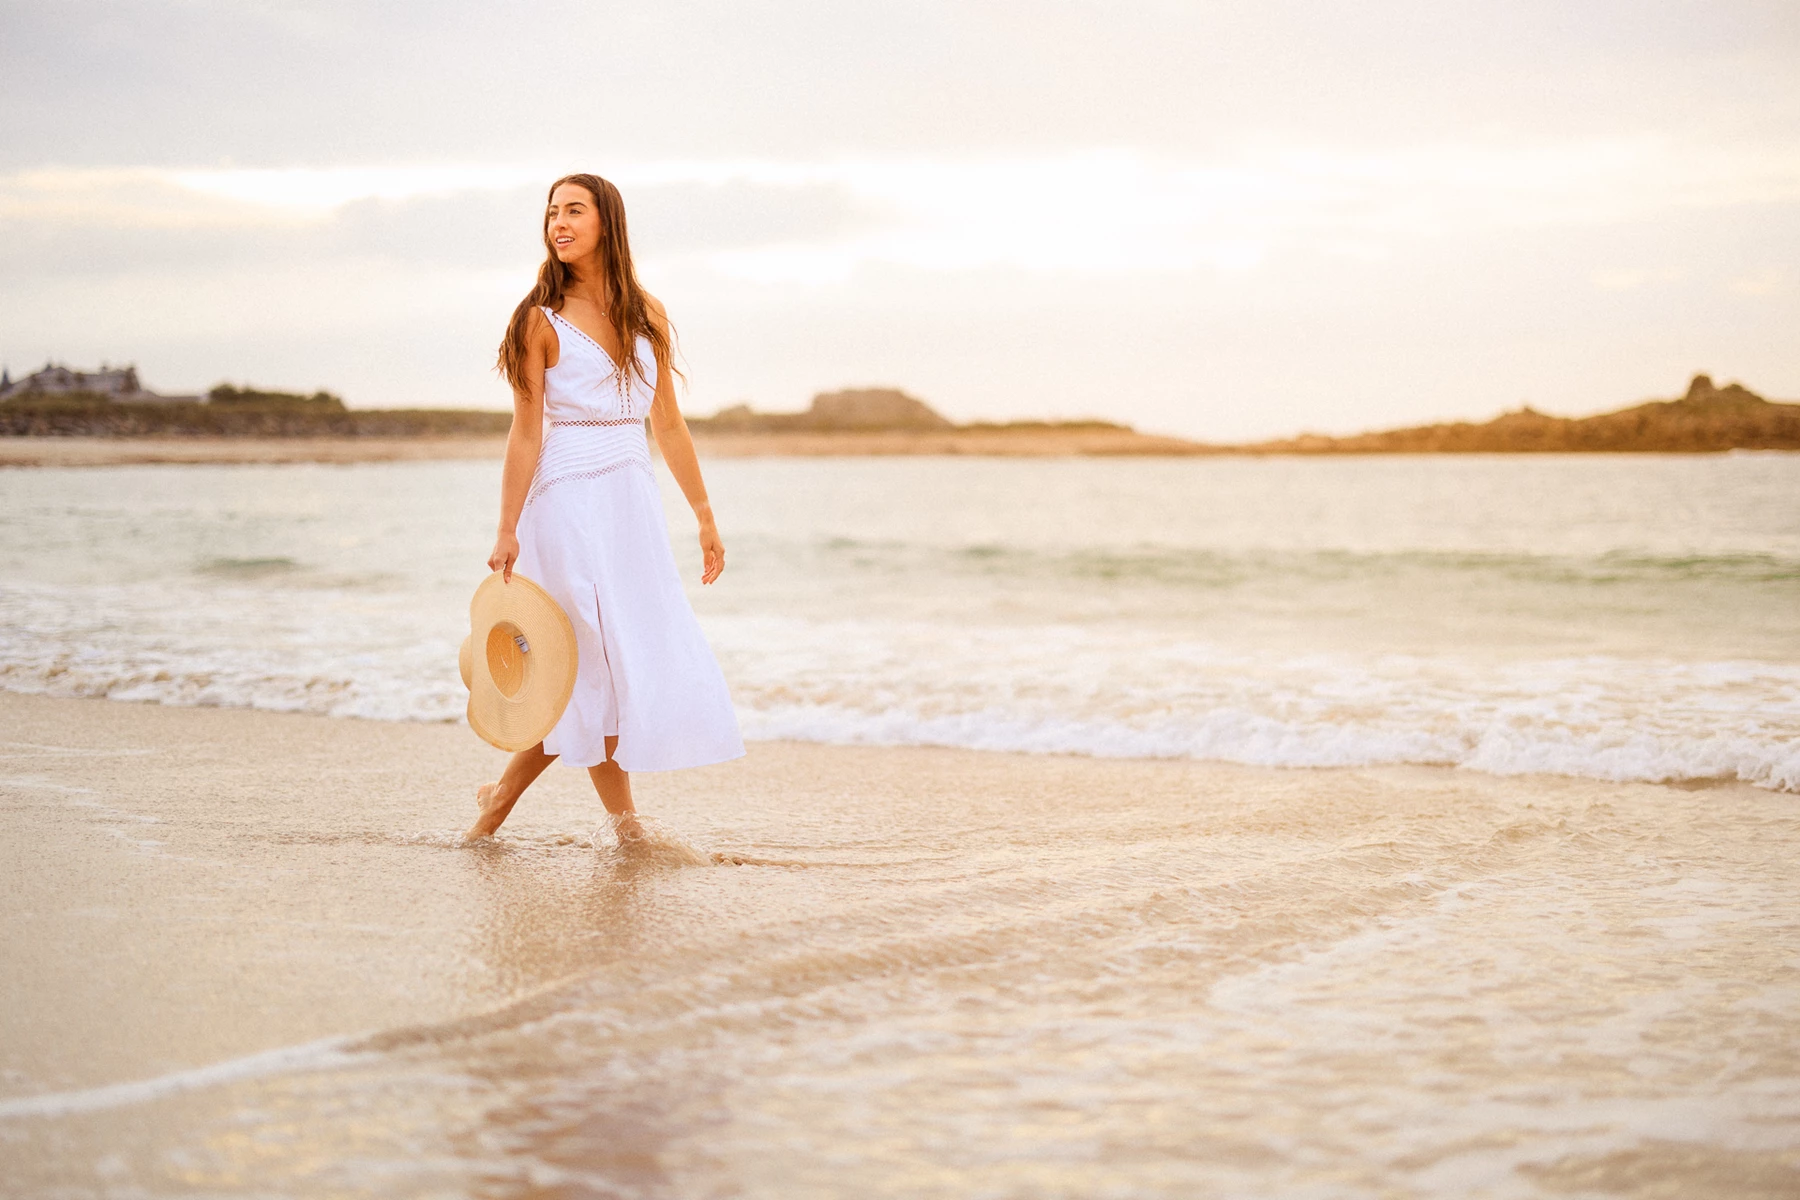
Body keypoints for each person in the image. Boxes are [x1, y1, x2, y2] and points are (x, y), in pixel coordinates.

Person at [465, 173, 744, 844]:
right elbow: (526, 432)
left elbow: (669, 426)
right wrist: (506, 527)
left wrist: (704, 515)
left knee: (619, 659)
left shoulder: (646, 311)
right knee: (583, 660)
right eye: (552, 212)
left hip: (630, 500)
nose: (558, 222)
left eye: (573, 210)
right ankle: (615, 824)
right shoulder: (539, 321)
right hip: (566, 499)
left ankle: (511, 796)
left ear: (605, 223)